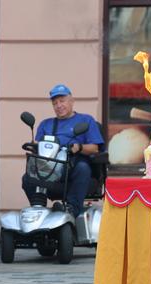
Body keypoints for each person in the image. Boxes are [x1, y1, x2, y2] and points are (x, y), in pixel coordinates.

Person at [21, 84, 104, 217]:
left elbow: (95, 148)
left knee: (82, 167)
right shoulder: (45, 124)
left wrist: (80, 147)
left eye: (62, 101)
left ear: (72, 101)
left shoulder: (86, 120)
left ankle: (71, 209)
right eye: (55, 103)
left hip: (72, 166)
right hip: (50, 167)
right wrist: (34, 146)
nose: (58, 105)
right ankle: (39, 209)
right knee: (27, 177)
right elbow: (39, 147)